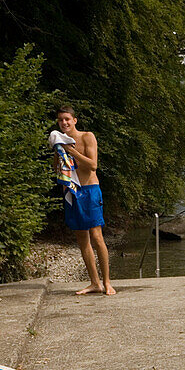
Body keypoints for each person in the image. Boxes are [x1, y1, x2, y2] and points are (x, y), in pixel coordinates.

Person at [52, 106, 114, 295]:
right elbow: (57, 168)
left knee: (97, 236)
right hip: (72, 192)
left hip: (90, 190)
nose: (64, 123)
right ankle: (94, 283)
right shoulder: (59, 142)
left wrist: (72, 152)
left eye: (67, 119)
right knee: (82, 239)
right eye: (61, 120)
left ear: (75, 120)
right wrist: (60, 155)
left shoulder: (87, 137)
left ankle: (107, 282)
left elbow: (93, 165)